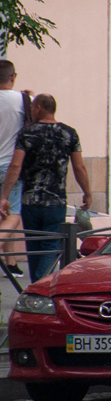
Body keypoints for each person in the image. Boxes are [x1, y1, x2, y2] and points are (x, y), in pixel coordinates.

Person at [0, 94, 92, 282]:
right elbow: (79, 167)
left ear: (39, 108)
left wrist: (5, 196)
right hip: (56, 201)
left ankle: (37, 286)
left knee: (33, 247)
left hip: (30, 202)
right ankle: (42, 287)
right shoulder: (70, 133)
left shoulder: (27, 134)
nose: (31, 111)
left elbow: (15, 166)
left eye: (32, 108)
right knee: (51, 246)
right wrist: (87, 193)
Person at [0, 60, 28, 276]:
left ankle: (10, 264)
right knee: (14, 214)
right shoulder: (24, 100)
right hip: (11, 165)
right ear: (13, 77)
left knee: (3, 212)